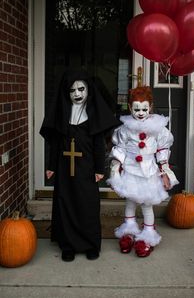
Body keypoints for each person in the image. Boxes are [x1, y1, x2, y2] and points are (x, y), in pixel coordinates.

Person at [40, 69, 120, 262]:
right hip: (64, 169)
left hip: (87, 169)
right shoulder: (62, 115)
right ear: (66, 93)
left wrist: (100, 169)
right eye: (72, 90)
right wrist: (51, 166)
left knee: (88, 205)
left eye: (81, 89)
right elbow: (56, 143)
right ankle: (68, 245)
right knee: (65, 203)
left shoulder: (93, 116)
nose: (77, 94)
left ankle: (91, 244)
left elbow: (99, 145)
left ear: (88, 90)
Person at [107, 86, 179, 257]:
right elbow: (120, 149)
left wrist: (164, 167)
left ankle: (147, 237)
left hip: (148, 171)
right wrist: (115, 168)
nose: (140, 113)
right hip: (131, 171)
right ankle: (129, 233)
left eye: (144, 109)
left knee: (147, 205)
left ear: (150, 107)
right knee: (130, 203)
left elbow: (163, 146)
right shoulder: (125, 129)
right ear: (130, 108)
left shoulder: (157, 128)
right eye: (137, 109)